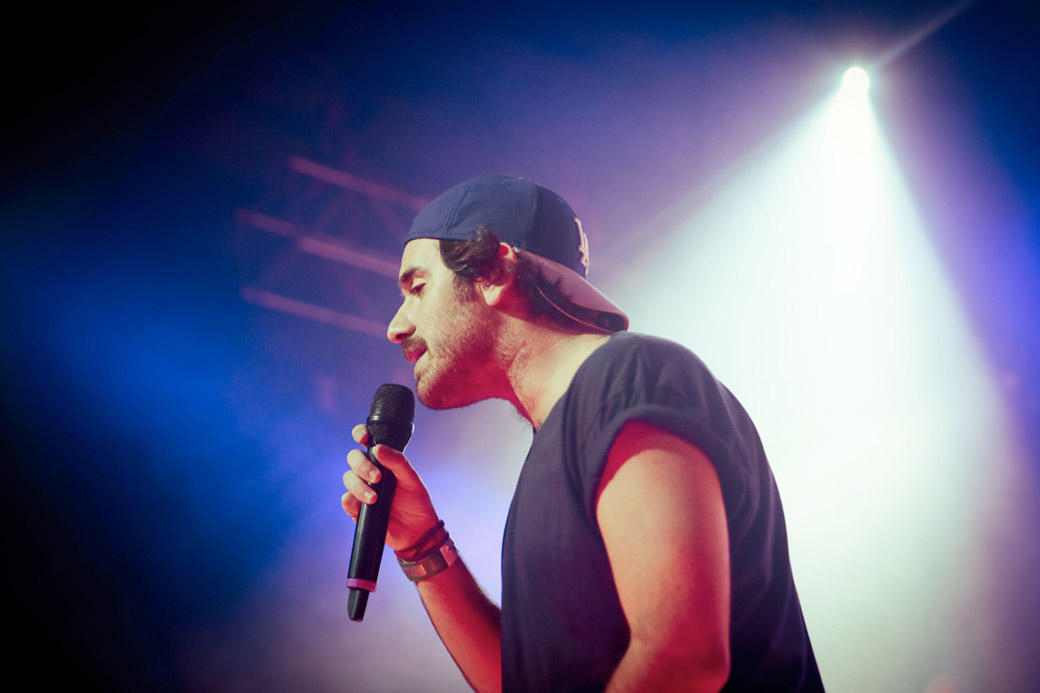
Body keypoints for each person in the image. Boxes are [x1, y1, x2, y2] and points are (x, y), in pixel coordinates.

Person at [341, 175, 823, 692]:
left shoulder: (630, 376)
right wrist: (422, 544)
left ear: (494, 273)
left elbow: (682, 658)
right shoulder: (561, 439)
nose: (396, 326)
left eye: (417, 288)